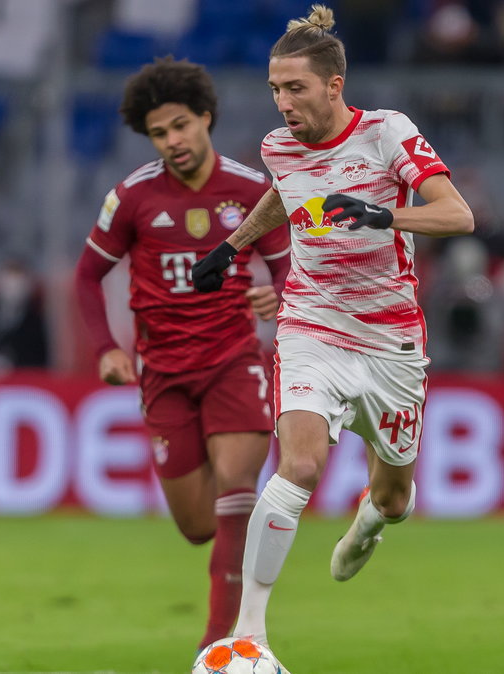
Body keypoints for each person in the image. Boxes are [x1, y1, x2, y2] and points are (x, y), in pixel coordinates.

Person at [190, 4, 474, 650]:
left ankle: (367, 525)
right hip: (311, 324)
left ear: (333, 85)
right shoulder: (276, 146)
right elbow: (284, 192)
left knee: (396, 497)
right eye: (274, 89)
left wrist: (381, 216)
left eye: (296, 88)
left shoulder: (385, 133)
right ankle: (249, 637)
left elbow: (457, 217)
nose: (283, 102)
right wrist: (232, 248)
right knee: (300, 465)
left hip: (391, 339)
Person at [74, 57, 292, 651]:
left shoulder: (252, 190)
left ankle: (222, 643)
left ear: (205, 118)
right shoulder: (133, 197)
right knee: (199, 526)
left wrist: (281, 291)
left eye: (180, 126)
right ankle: (231, 623)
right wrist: (106, 350)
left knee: (237, 487)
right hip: (164, 374)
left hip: (233, 360)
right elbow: (86, 277)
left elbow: (289, 264)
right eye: (159, 133)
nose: (172, 142)